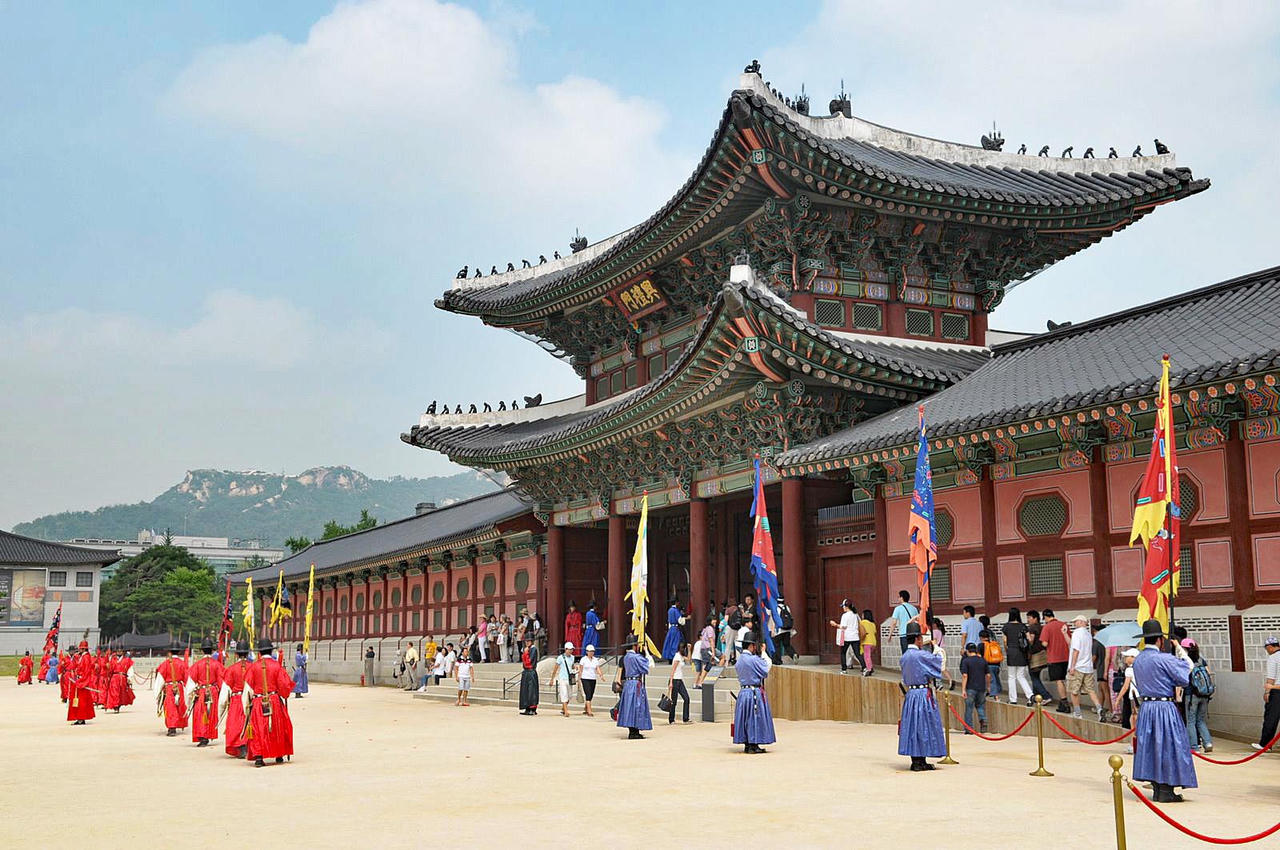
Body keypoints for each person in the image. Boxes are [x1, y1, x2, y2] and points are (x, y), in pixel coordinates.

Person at [1131, 619, 1196, 803]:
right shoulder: (1164, 658)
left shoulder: (1138, 660)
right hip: (1164, 707)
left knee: (1151, 746)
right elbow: (1185, 674)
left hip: (1147, 708)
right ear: (1160, 639)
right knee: (1169, 746)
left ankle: (1158, 789)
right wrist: (1179, 651)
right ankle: (1167, 790)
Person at [898, 621, 946, 771]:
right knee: (924, 726)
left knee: (913, 726)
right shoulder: (921, 655)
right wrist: (936, 648)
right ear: (918, 638)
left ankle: (916, 760)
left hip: (911, 694)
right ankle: (921, 761)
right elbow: (940, 663)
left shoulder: (904, 656)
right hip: (922, 694)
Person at [244, 638, 295, 768]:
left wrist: (247, 708)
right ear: (271, 651)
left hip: (258, 701)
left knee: (259, 728)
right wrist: (285, 693)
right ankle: (279, 754)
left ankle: (259, 757)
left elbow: (247, 691)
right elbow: (284, 688)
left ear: (259, 653)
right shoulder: (277, 666)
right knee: (277, 726)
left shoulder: (253, 667)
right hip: (274, 700)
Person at [734, 631, 775, 753]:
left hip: (743, 692)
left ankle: (747, 744)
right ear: (751, 646)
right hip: (753, 692)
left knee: (745, 718)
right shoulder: (753, 659)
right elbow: (766, 668)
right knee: (755, 717)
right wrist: (763, 652)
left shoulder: (739, 660)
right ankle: (754, 744)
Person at [189, 641, 225, 747]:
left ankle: (203, 736)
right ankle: (208, 734)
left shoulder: (197, 665)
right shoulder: (217, 665)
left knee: (200, 713)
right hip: (213, 691)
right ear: (212, 650)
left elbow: (191, 682)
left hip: (201, 691)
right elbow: (221, 682)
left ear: (202, 650)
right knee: (211, 713)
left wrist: (191, 694)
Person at [615, 639, 652, 739]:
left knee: (629, 707)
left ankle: (633, 731)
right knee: (637, 706)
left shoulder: (626, 657)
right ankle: (635, 731)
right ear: (634, 646)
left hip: (628, 684)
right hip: (635, 684)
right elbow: (648, 665)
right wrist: (647, 652)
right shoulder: (635, 657)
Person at [221, 643, 252, 758]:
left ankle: (241, 745)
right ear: (248, 653)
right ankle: (248, 745)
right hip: (250, 698)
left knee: (236, 722)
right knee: (249, 721)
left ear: (236, 654)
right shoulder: (253, 667)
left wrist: (222, 706)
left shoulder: (231, 669)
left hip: (237, 699)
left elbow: (225, 690)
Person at [1184, 641, 1214, 753]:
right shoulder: (1201, 660)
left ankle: (1194, 746)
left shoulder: (1186, 661)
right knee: (1200, 720)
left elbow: (1182, 679)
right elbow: (1209, 674)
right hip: (1204, 694)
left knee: (1191, 721)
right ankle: (1208, 742)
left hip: (1191, 695)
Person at [1040, 609, 1072, 713]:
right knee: (1067, 680)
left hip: (1054, 657)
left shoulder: (1047, 627)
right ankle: (1071, 701)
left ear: (1045, 617)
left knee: (1059, 681)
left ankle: (1064, 702)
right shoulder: (1064, 624)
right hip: (1067, 656)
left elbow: (1044, 643)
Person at [1065, 615, 1096, 720]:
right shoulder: (1088, 634)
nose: (1075, 624)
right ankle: (1099, 708)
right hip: (1088, 666)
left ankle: (1078, 713)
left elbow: (1075, 650)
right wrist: (1064, 633)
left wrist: (1072, 666)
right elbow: (1072, 645)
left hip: (1078, 666)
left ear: (1082, 622)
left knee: (1074, 691)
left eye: (1076, 622)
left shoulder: (1077, 633)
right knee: (1091, 690)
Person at [156, 645, 189, 737]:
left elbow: (160, 679)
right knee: (179, 706)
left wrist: (157, 693)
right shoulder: (183, 664)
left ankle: (172, 728)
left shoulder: (165, 664)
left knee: (170, 708)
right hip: (179, 687)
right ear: (179, 652)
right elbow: (187, 678)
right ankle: (176, 724)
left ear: (169, 652)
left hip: (169, 688)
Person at [1255, 635, 1280, 751]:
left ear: (1270, 647)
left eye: (1266, 648)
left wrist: (1267, 692)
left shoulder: (1273, 658)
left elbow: (1271, 678)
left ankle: (1265, 744)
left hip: (1276, 691)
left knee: (1271, 718)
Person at [959, 642, 990, 734]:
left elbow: (965, 675)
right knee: (980, 706)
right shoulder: (983, 660)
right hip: (981, 687)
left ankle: (969, 729)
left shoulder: (966, 661)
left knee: (969, 708)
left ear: (968, 651)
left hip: (970, 688)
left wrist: (963, 689)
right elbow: (988, 675)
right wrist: (988, 687)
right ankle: (983, 720)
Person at [1024, 610, 1052, 702]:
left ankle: (1046, 696)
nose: (1028, 620)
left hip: (1034, 655)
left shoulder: (1032, 628)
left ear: (1035, 618)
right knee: (1036, 676)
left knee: (1034, 677)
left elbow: (1031, 641)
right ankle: (1036, 697)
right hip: (1043, 654)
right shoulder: (1042, 627)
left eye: (1029, 617)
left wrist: (1026, 636)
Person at [829, 599, 862, 675]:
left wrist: (835, 624)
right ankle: (864, 668)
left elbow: (843, 626)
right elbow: (860, 623)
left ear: (846, 606)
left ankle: (844, 669)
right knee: (857, 653)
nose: (843, 608)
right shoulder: (855, 615)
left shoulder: (845, 615)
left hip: (847, 637)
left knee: (843, 653)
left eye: (843, 606)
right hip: (855, 637)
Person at [666, 642, 691, 724]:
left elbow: (689, 659)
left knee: (686, 698)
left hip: (680, 680)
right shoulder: (677, 657)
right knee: (674, 700)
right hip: (675, 680)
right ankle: (671, 719)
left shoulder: (681, 656)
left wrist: (689, 649)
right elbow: (672, 670)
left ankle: (686, 718)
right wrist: (671, 682)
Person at [576, 645, 602, 716]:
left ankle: (586, 707)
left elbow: (597, 668)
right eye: (590, 651)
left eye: (593, 651)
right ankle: (589, 711)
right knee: (588, 693)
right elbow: (580, 670)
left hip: (593, 678)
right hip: (585, 678)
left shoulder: (595, 660)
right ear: (587, 652)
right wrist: (579, 679)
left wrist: (601, 675)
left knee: (591, 694)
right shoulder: (583, 659)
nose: (591, 653)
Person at [518, 636, 540, 715]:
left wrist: (526, 653)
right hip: (526, 672)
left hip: (531, 672)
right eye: (526, 641)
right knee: (525, 691)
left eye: (529, 641)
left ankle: (532, 708)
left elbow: (529, 662)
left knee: (532, 691)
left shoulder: (533, 649)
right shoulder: (526, 649)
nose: (527, 642)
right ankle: (527, 708)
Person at [772, 596, 797, 663]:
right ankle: (794, 654)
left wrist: (773, 630)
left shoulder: (776, 608)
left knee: (777, 645)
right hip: (787, 630)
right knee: (787, 645)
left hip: (779, 630)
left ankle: (778, 660)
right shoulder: (787, 608)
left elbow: (775, 619)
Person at [553, 641, 575, 716]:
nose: (571, 651)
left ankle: (563, 707)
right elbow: (555, 668)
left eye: (571, 649)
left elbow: (572, 666)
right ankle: (566, 711)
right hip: (562, 678)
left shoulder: (572, 657)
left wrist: (575, 669)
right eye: (569, 649)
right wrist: (552, 678)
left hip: (569, 678)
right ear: (566, 649)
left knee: (570, 695)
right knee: (564, 694)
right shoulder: (560, 658)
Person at [980, 629, 1002, 699]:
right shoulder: (994, 644)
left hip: (988, 665)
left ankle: (995, 696)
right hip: (997, 664)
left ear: (981, 637)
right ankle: (998, 691)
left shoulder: (981, 645)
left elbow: (979, 656)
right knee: (996, 678)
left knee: (991, 680)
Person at [860, 609, 877, 677]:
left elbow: (861, 631)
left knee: (866, 656)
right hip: (873, 642)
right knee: (869, 656)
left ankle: (869, 669)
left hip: (867, 642)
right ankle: (870, 667)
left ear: (864, 615)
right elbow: (874, 632)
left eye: (862, 614)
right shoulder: (873, 624)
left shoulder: (862, 622)